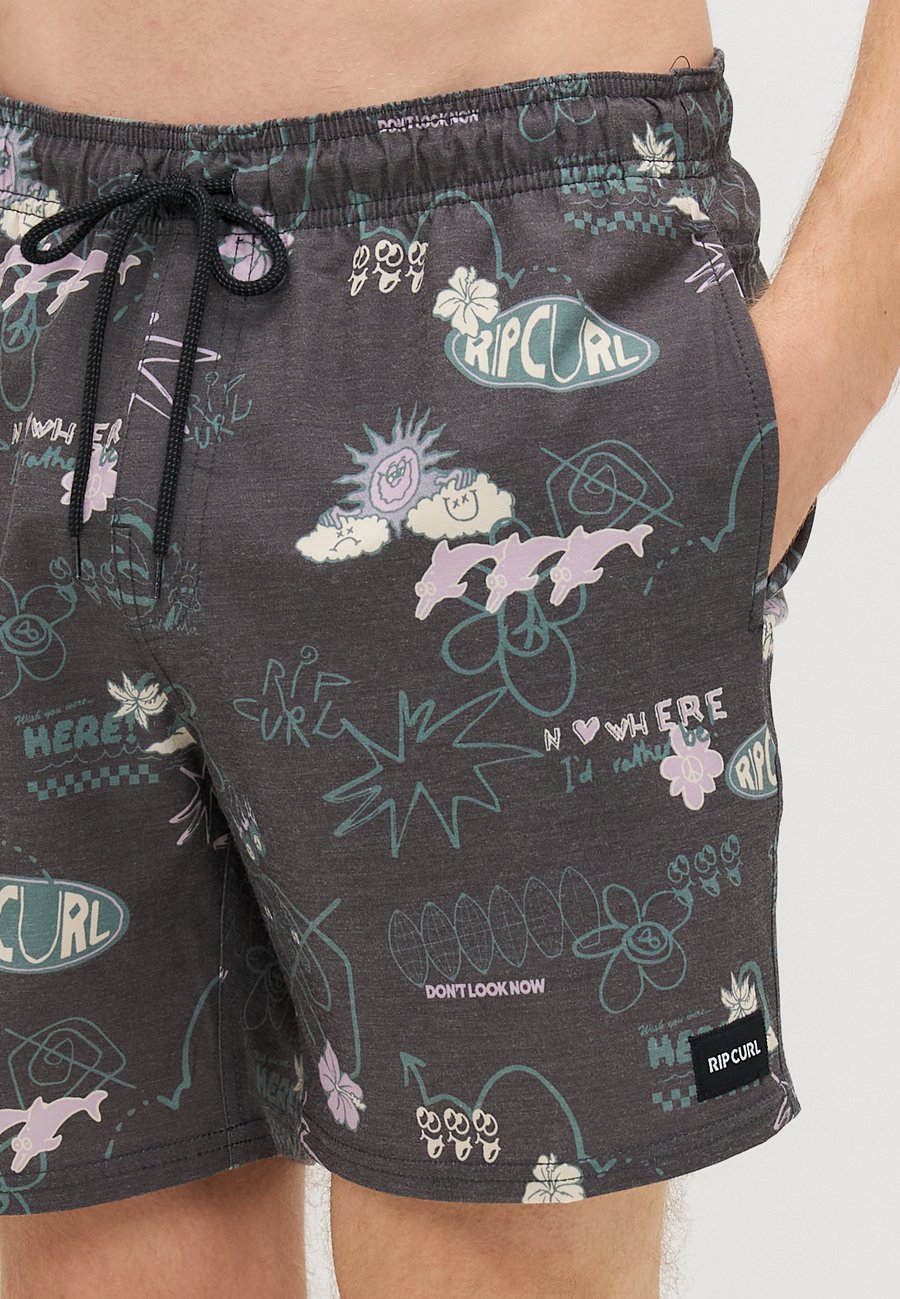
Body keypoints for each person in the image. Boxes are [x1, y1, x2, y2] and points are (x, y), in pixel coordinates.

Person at [0, 2, 895, 1296]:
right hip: (40, 278)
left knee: (496, 1244)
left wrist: (824, 351)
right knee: (87, 1237)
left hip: (510, 300)